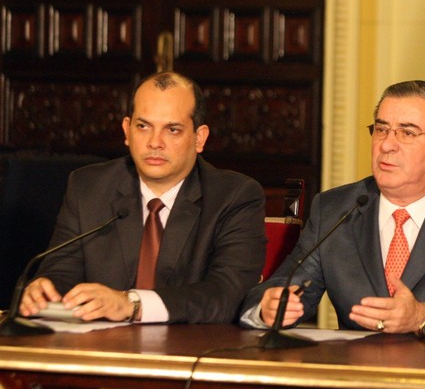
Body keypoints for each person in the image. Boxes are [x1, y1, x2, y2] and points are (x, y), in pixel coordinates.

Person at [241, 80, 425, 337]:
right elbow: (279, 290)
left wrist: (423, 315)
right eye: (382, 129)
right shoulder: (335, 209)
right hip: (356, 377)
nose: (386, 145)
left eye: (407, 133)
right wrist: (268, 309)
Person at [19, 71, 266, 324]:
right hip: (99, 351)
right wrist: (44, 292)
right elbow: (61, 273)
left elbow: (227, 295)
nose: (154, 142)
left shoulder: (234, 196)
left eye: (172, 129)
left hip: (188, 353)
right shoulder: (88, 187)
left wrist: (132, 304)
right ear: (127, 131)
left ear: (199, 138)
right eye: (143, 126)